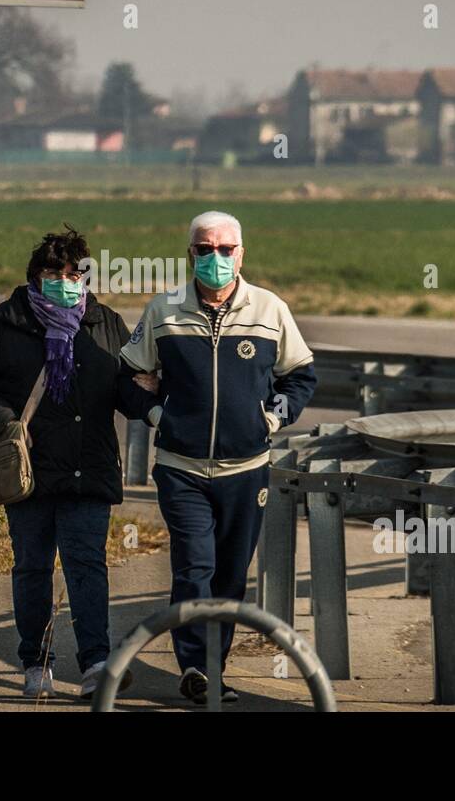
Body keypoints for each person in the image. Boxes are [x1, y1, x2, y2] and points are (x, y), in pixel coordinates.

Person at [0, 227, 159, 700]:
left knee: (88, 566)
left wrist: (150, 397)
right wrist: (3, 421)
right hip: (29, 471)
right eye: (53, 273)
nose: (64, 281)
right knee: (32, 567)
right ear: (34, 277)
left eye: (73, 273)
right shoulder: (5, 323)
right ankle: (35, 662)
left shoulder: (104, 323)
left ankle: (97, 665)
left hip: (89, 467)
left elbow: (124, 390)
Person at [119, 210, 317, 704]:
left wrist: (272, 418)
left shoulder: (270, 309)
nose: (215, 258)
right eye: (204, 249)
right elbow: (126, 377)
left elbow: (301, 375)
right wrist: (157, 415)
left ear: (241, 253)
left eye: (225, 249)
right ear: (190, 253)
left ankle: (213, 668)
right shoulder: (163, 310)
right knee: (194, 567)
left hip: (247, 472)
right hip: (180, 469)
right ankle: (193, 667)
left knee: (229, 576)